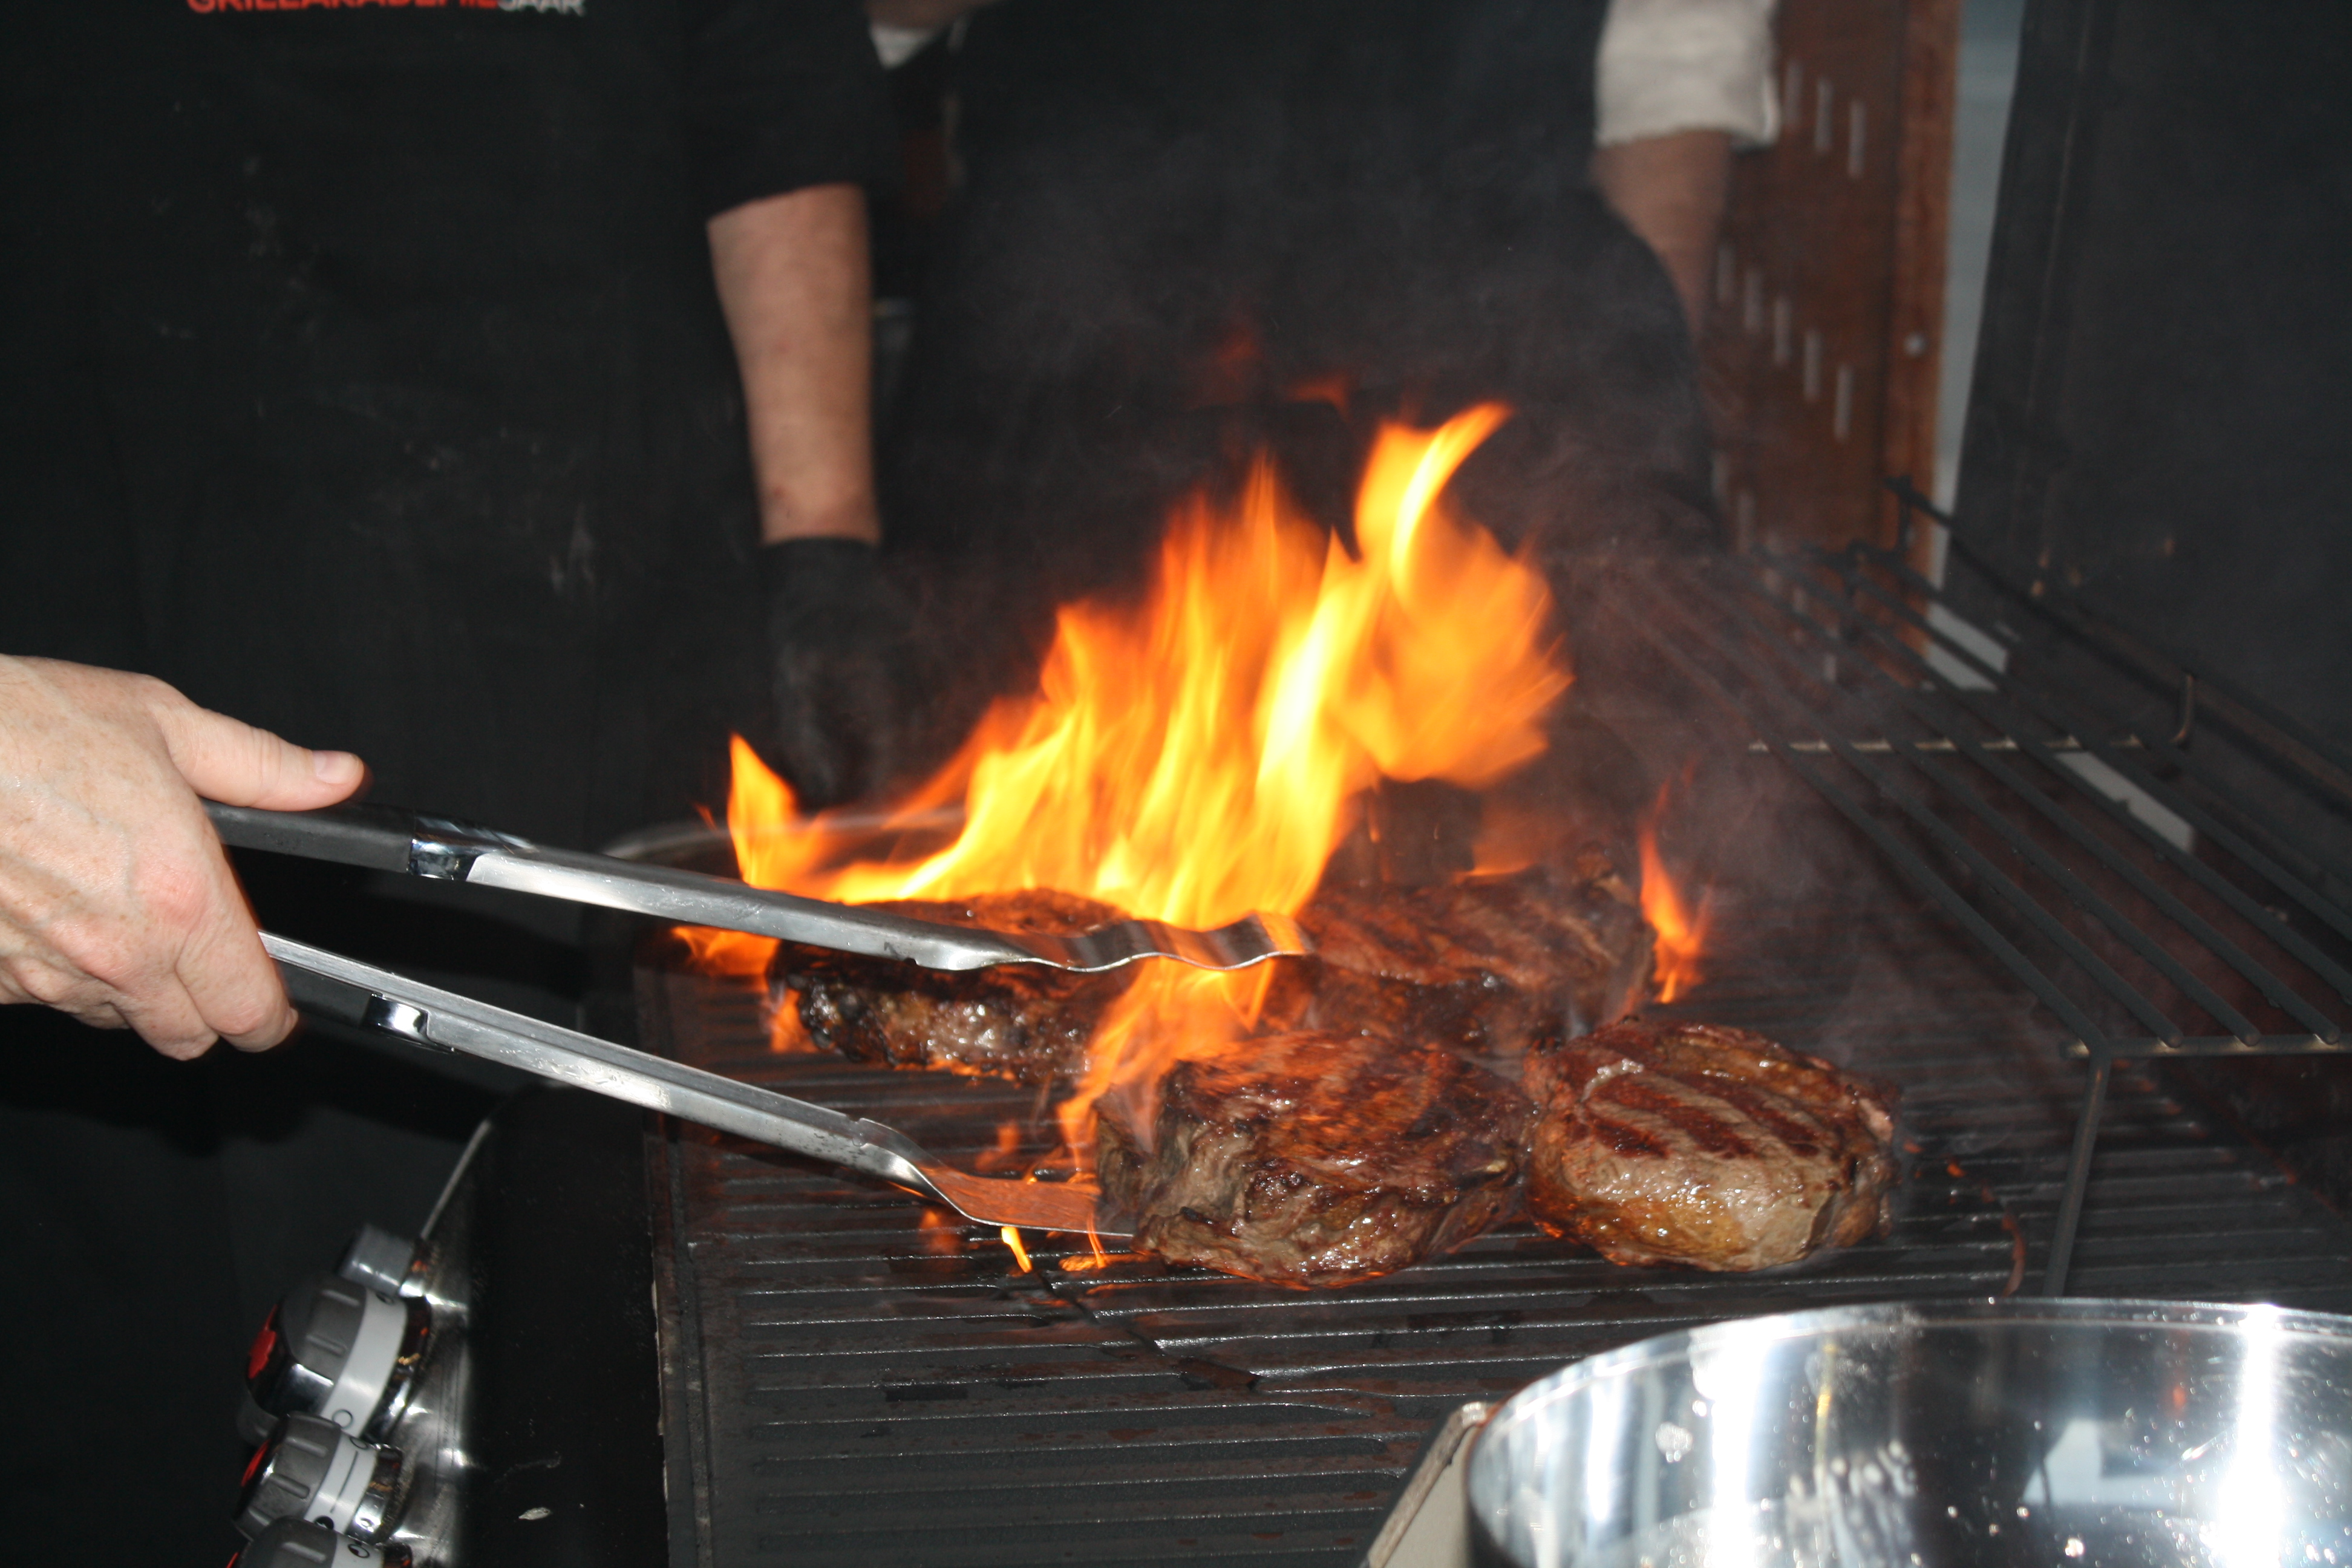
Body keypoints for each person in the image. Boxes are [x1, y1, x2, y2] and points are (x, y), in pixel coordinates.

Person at [0, 1, 906, 1552]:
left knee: (596, 1336)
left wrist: (820, 544)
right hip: (90, 636)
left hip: (586, 613)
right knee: (122, 1374)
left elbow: (775, 109)